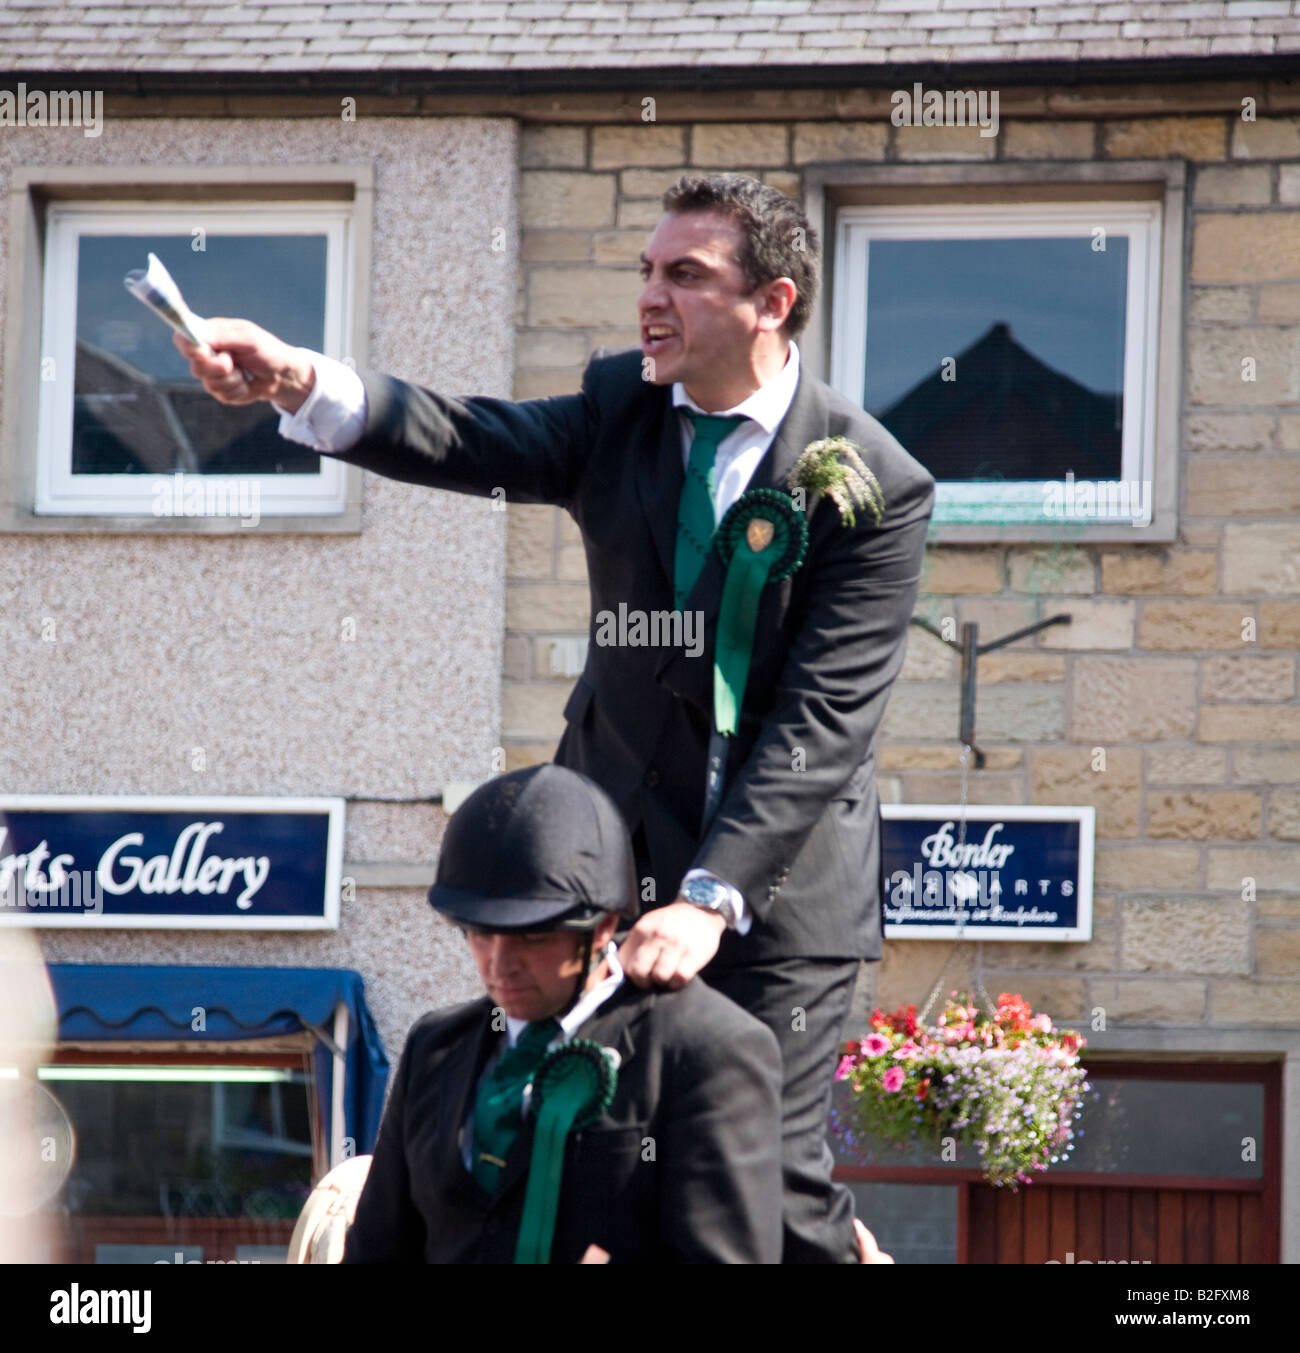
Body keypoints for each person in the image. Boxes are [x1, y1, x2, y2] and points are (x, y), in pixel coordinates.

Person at [179, 171, 933, 1264]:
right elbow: (467, 436)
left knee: (763, 1185)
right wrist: (297, 379)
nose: (650, 299)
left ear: (772, 303)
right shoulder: (619, 407)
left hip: (776, 904)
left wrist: (713, 899)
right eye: (645, 272)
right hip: (600, 888)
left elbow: (824, 717)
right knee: (570, 1151)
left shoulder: (874, 480)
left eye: (686, 275)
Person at [341, 763, 784, 1264]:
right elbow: (377, 1249)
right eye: (479, 934)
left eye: (532, 937)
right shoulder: (436, 1045)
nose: (499, 965)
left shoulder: (708, 1047)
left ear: (603, 926)